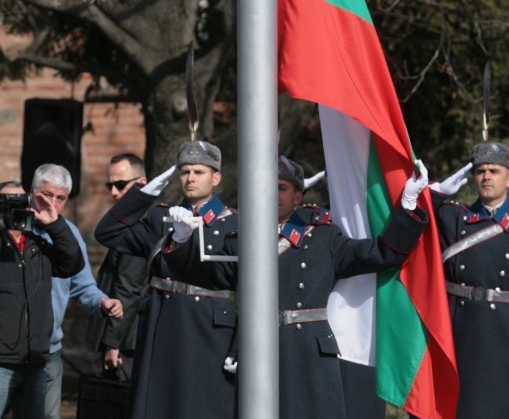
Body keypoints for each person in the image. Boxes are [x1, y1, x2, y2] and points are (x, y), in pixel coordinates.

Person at [165, 155, 430, 419]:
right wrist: (181, 239)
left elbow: (382, 253)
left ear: (297, 197)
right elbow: (205, 278)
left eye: (281, 188)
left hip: (309, 353)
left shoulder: (323, 238)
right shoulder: (239, 239)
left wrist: (407, 205)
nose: (272, 194)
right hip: (258, 349)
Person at [0, 165, 122, 419]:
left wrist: (101, 301)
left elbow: (77, 275)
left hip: (42, 350)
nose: (52, 203)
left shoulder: (59, 236)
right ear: (31, 193)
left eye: (60, 198)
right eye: (46, 195)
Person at [94, 140, 238, 419]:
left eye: (199, 172)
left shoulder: (232, 223)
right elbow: (107, 232)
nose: (190, 178)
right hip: (162, 324)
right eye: (185, 172)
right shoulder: (160, 217)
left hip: (210, 331)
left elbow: (247, 291)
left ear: (216, 178)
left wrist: (240, 345)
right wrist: (142, 195)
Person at [430, 142, 509, 417]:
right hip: (463, 332)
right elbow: (416, 218)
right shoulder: (453, 217)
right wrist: (436, 195)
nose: (486, 177)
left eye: (494, 171)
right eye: (480, 171)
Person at [0, 180, 85, 419]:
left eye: (21, 203)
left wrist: (55, 224)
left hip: (33, 359)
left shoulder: (37, 246)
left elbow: (73, 264)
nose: (17, 210)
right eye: (9, 204)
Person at [90, 153, 151, 378]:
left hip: (127, 340)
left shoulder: (139, 223)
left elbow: (129, 287)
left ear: (142, 183)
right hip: (128, 335)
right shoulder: (133, 219)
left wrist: (112, 343)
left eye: (121, 184)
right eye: (110, 185)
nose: (114, 192)